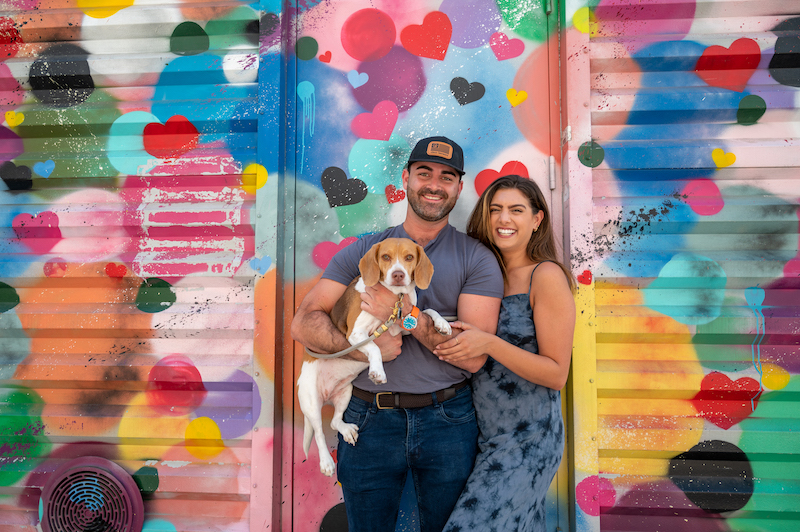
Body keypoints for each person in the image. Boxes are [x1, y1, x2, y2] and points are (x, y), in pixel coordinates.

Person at [290, 136, 504, 532]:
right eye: (424, 173)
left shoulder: (476, 258)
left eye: (447, 176)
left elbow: (472, 357)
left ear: (459, 187)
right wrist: (362, 352)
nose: (434, 184)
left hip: (448, 420)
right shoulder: (367, 250)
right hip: (368, 417)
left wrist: (404, 312)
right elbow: (303, 322)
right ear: (406, 178)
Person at [435, 174, 576, 532]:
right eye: (495, 209)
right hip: (485, 437)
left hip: (529, 439)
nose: (503, 219)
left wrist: (490, 343)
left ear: (537, 219)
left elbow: (557, 372)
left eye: (516, 210)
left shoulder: (545, 276)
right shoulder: (482, 273)